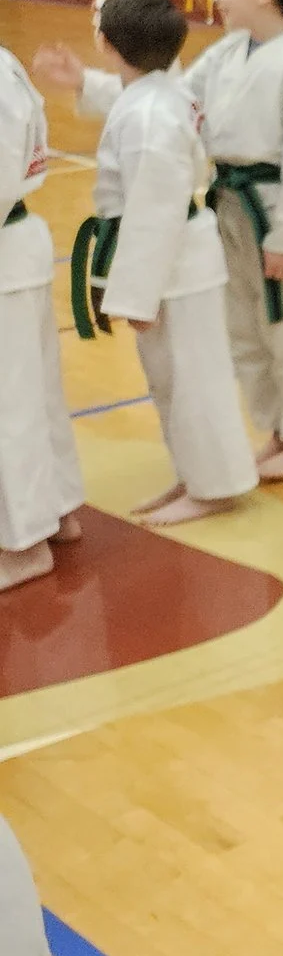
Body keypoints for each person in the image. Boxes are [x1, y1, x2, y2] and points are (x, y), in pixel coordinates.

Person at [67, 0, 283, 500]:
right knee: (246, 329)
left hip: (278, 208)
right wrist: (86, 84)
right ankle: (279, 428)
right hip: (230, 207)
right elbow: (165, 97)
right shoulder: (226, 53)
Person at [40, 0, 254, 532]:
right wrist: (83, 82)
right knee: (171, 379)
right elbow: (128, 95)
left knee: (192, 379)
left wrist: (136, 295)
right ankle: (194, 474)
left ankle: (216, 486)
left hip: (173, 260)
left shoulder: (150, 114)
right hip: (176, 258)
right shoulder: (157, 93)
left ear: (106, 43)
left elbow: (154, 211)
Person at [0, 38, 84, 586]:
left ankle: (23, 544)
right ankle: (59, 510)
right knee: (34, 392)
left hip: (5, 245)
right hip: (14, 250)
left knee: (10, 404)